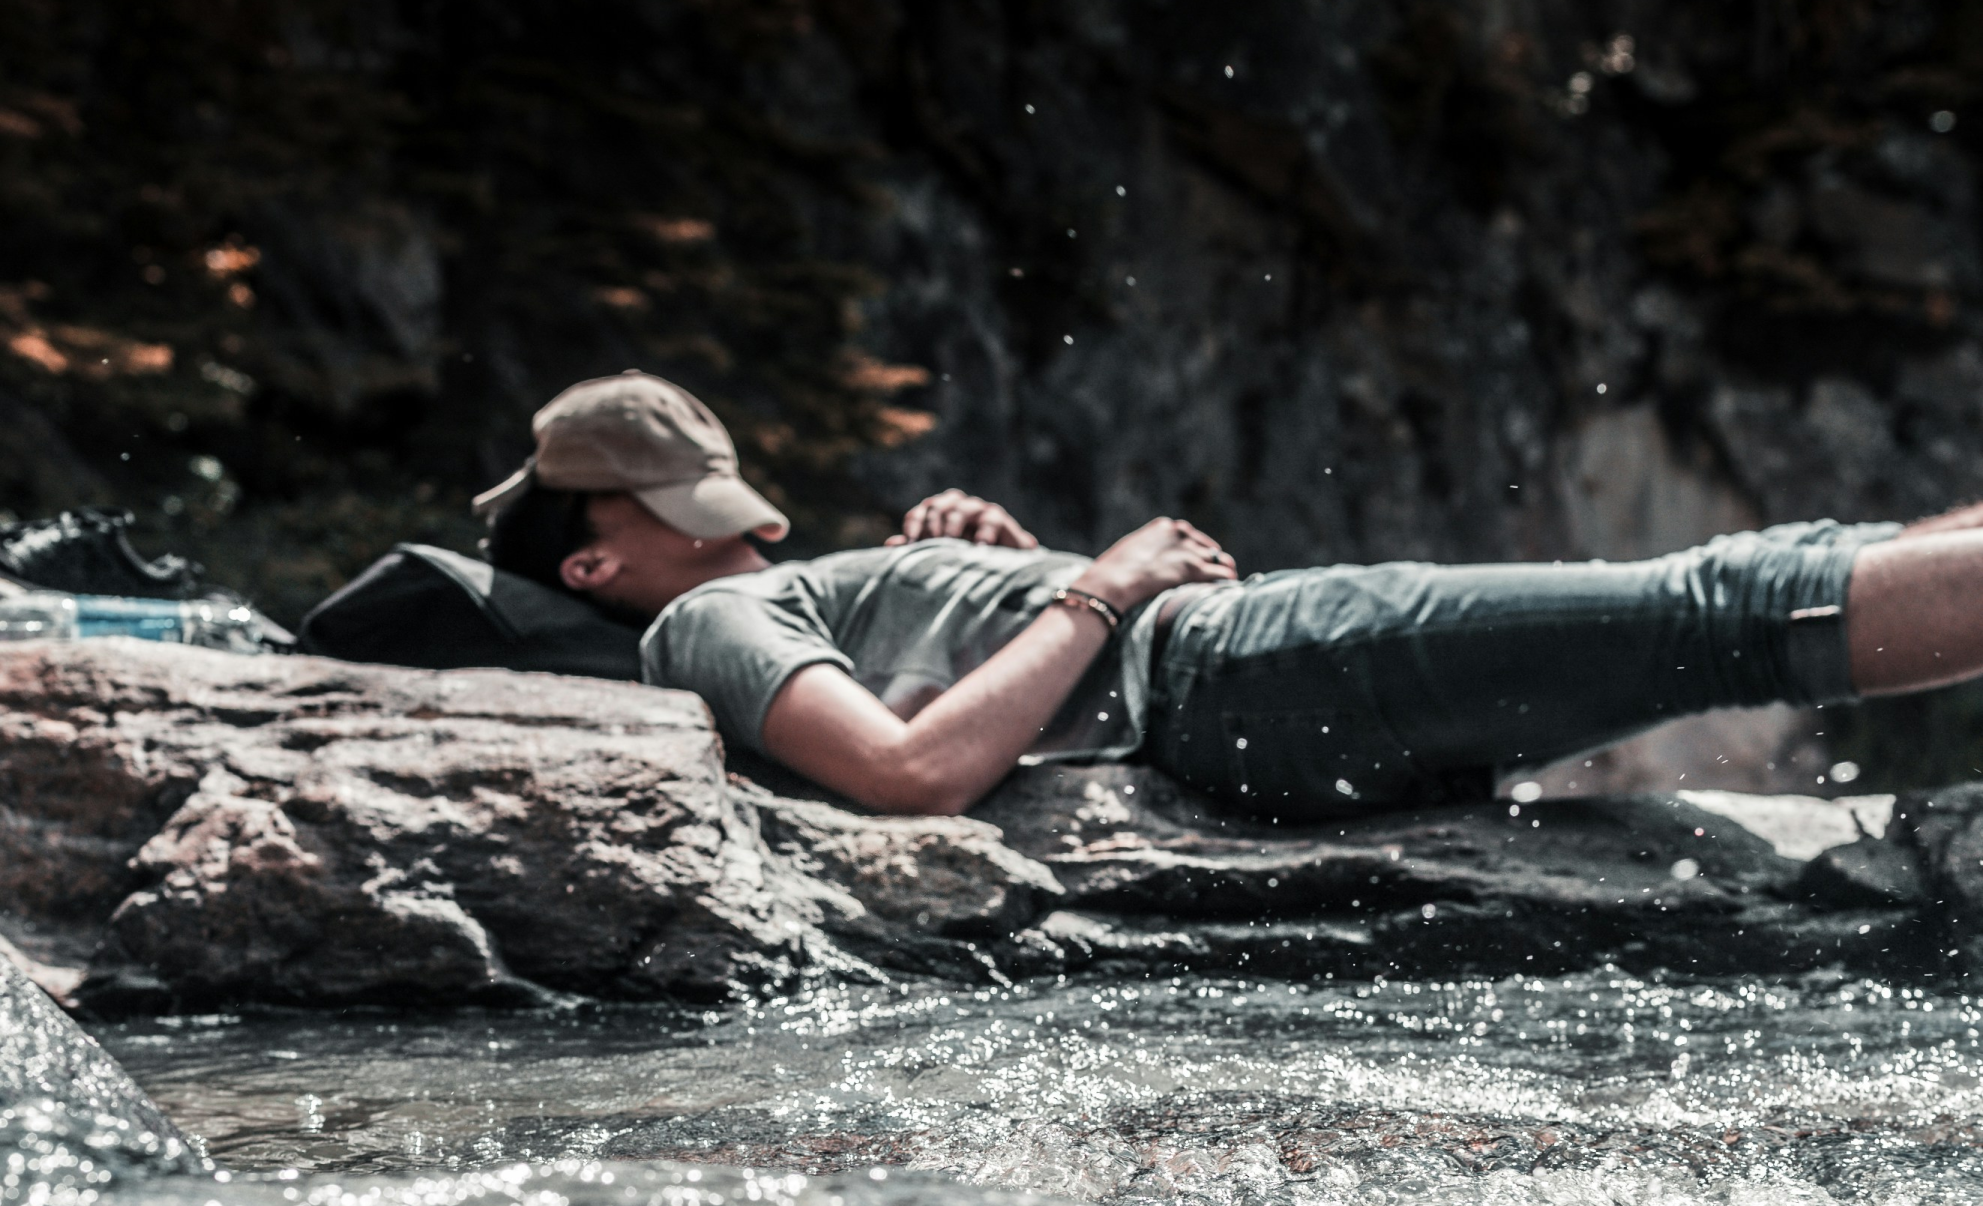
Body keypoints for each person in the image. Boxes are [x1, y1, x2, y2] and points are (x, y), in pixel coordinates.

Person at [477, 369, 1983, 818]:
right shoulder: (697, 622)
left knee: (1763, 576)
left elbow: (958, 700)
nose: (733, 533)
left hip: (1239, 674)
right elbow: (908, 771)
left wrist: (991, 577)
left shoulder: (793, 588)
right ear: (599, 562)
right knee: (1723, 605)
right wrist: (1098, 588)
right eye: (676, 512)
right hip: (1237, 668)